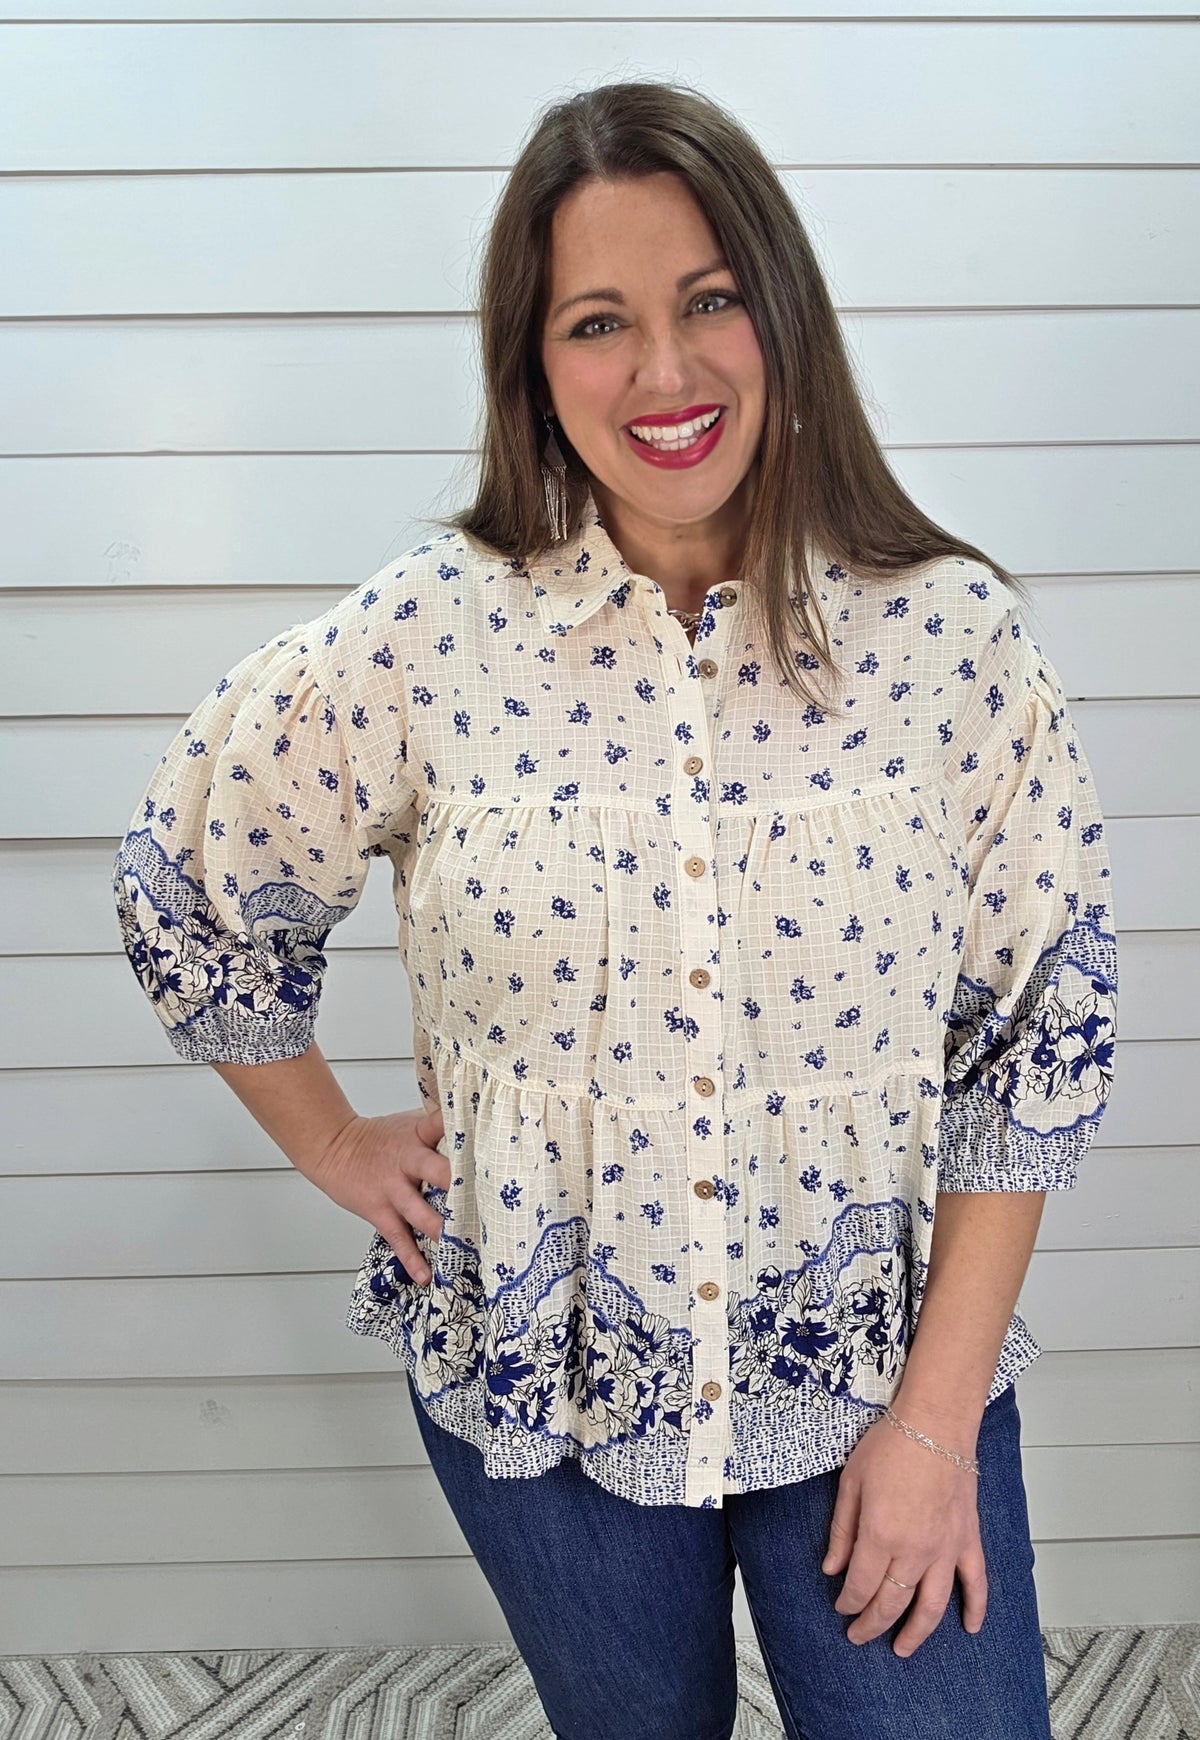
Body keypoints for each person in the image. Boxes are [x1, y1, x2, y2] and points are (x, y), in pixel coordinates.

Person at [112, 79, 1118, 1740]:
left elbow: (1034, 1041)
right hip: (545, 1388)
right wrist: (329, 1143)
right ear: (533, 359)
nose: (665, 371)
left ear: (781, 311)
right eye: (600, 321)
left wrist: (936, 1427)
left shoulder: (952, 643)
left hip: (880, 1378)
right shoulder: (427, 637)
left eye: (710, 299)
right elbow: (189, 880)